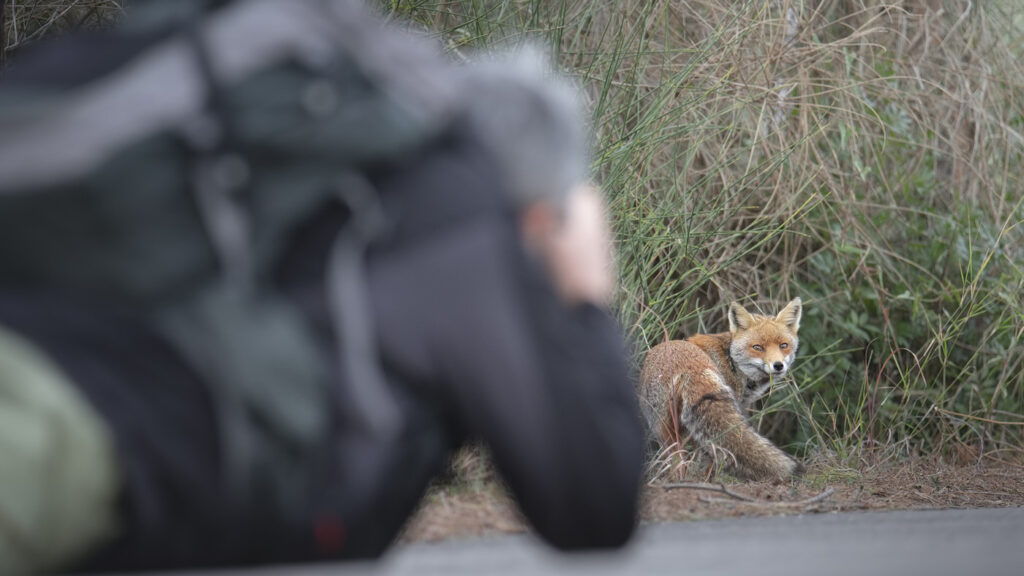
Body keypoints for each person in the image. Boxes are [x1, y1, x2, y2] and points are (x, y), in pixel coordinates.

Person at [0, 0, 644, 572]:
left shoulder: (341, 184)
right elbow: (593, 503)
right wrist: (586, 293)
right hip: (74, 443)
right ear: (540, 213)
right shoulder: (455, 216)